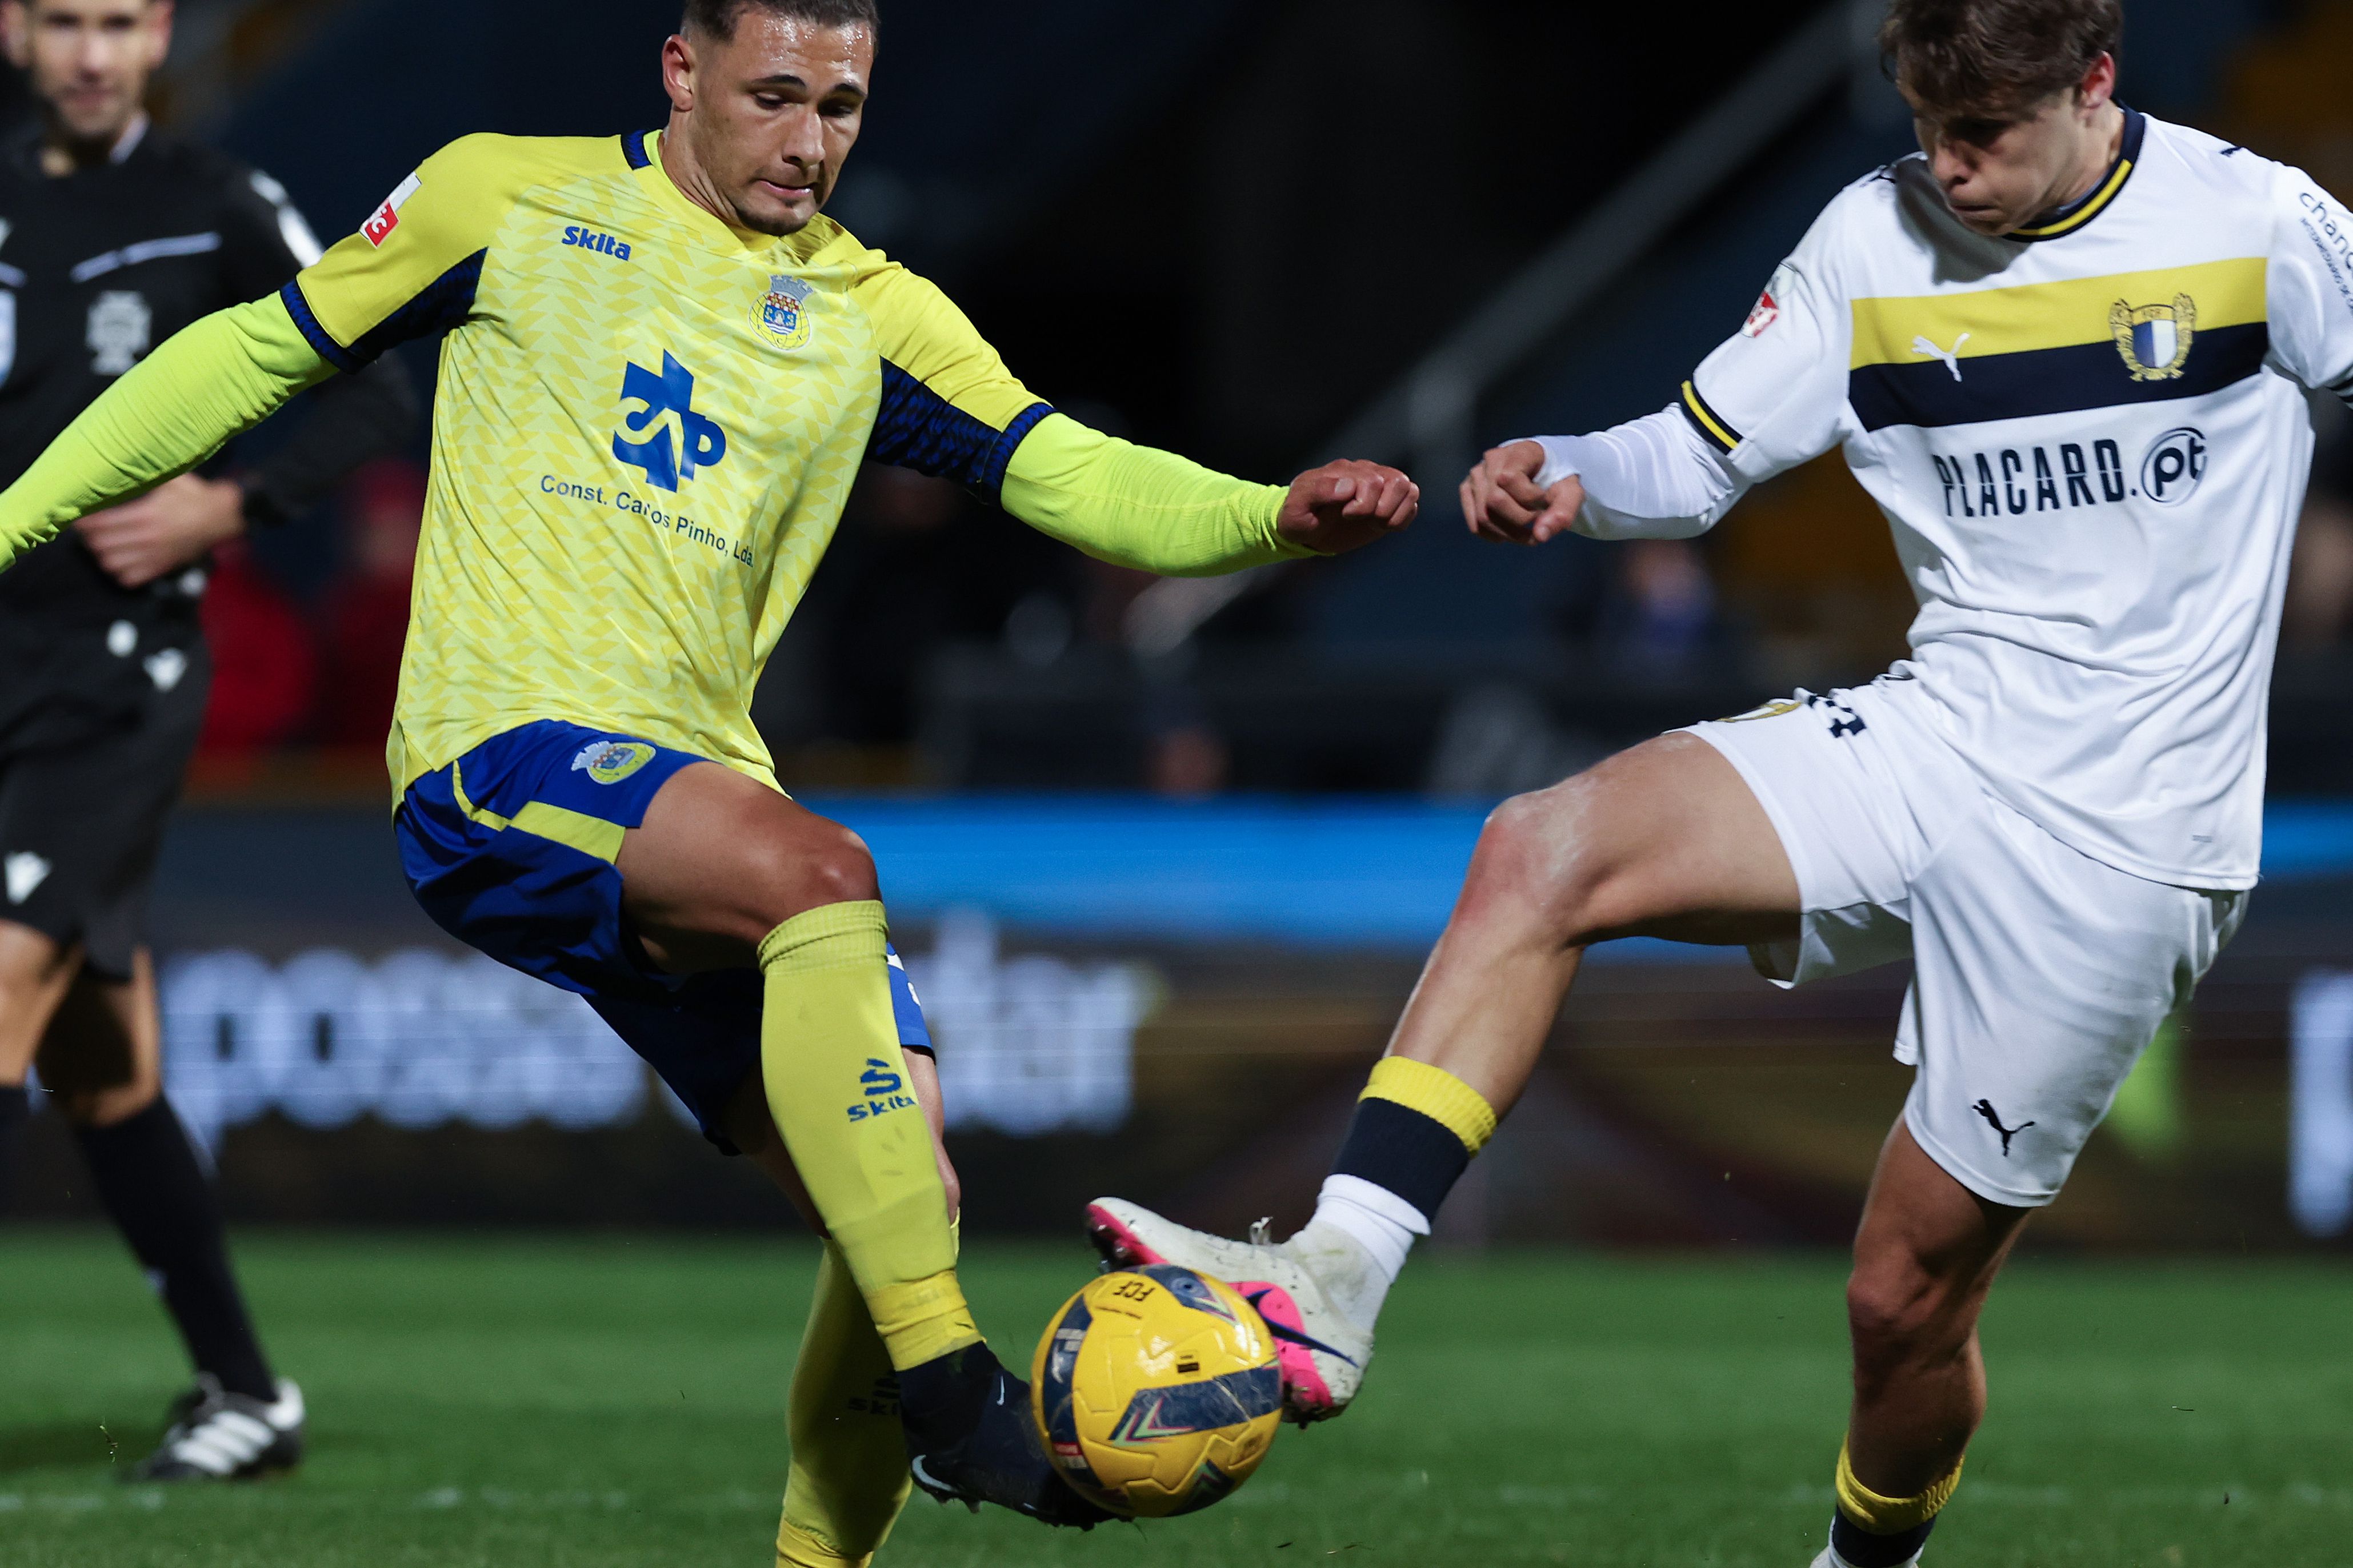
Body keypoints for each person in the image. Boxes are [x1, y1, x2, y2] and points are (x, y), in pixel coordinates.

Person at [0, 0, 1418, 1555]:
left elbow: (1070, 468)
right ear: (682, 71)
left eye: (844, 106)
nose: (809, 142)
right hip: (495, 760)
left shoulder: (875, 313)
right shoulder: (504, 196)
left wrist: (1269, 516)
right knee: (827, 875)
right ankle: (957, 1402)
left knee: (899, 1198)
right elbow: (257, 351)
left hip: (685, 798)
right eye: (776, 96)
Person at [1085, 2, 2353, 1564]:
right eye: (1925, 130)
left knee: (1901, 1305)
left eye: (1988, 137)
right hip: (1938, 736)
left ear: (2096, 82)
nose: (1948, 172)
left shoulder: (2264, 230)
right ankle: (1340, 1271)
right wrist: (1568, 467)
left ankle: (1859, 1560)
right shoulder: (1873, 233)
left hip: (2127, 844)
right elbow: (1694, 454)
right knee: (1540, 850)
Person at [0, 0, 414, 1482]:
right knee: (104, 1064)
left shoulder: (214, 203)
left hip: (113, 674)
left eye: (120, 22)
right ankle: (248, 1390)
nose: (94, 53)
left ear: (164, 32)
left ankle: (247, 1390)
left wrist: (226, 506)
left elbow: (377, 379)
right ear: (15, 28)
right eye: (64, 22)